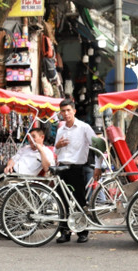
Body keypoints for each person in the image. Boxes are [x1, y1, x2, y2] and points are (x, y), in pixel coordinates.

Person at [54, 99, 96, 244]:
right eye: (63, 111)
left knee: (79, 201)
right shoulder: (60, 130)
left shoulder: (84, 128)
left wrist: (98, 166)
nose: (66, 114)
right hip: (61, 169)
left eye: (68, 110)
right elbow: (56, 150)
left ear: (74, 111)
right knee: (62, 202)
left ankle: (82, 232)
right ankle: (64, 232)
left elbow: (96, 145)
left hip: (78, 169)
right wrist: (57, 145)